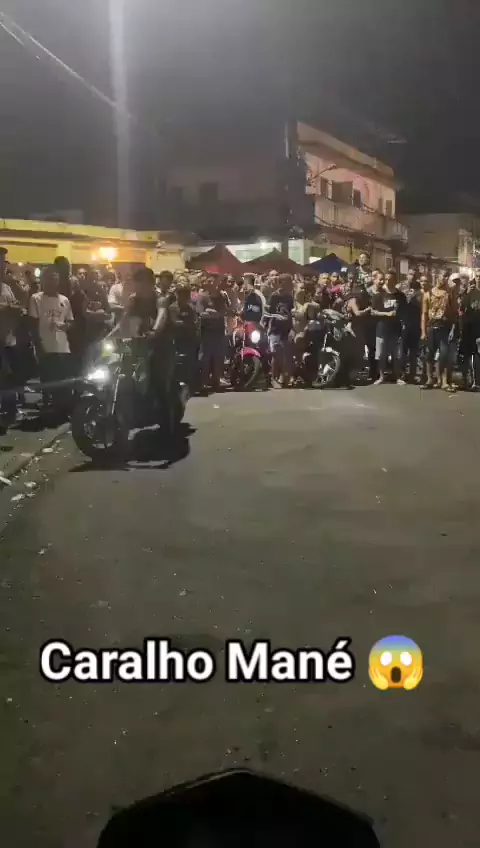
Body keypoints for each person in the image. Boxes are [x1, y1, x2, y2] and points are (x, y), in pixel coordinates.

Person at [29, 265, 74, 414]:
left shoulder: (64, 300)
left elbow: (70, 321)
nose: (52, 282)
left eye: (55, 278)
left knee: (62, 381)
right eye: (48, 278)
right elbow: (33, 324)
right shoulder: (36, 299)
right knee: (47, 381)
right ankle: (47, 408)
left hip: (62, 347)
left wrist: (65, 326)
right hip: (45, 347)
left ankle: (60, 411)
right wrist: (38, 346)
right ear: (43, 280)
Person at [421, 269, 457, 391]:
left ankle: (444, 381)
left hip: (444, 327)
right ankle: (429, 379)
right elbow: (424, 314)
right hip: (431, 326)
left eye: (447, 277)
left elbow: (454, 313)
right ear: (437, 276)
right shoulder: (428, 294)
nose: (445, 279)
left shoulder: (449, 293)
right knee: (429, 354)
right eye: (444, 276)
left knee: (444, 354)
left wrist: (453, 329)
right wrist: (423, 331)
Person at [0, 248, 23, 433]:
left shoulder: (6, 287)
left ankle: (8, 414)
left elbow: (17, 304)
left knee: (9, 378)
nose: (2, 265)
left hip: (8, 340)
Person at [370, 270, 406, 385]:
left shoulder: (400, 296)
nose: (387, 281)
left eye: (390, 279)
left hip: (396, 328)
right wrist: (387, 314)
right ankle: (381, 377)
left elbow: (404, 313)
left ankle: (397, 377)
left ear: (395, 281)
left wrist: (403, 323)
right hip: (382, 328)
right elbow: (373, 312)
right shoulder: (379, 294)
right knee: (381, 355)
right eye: (386, 279)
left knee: (396, 355)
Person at [197, 276, 229, 393]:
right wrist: (214, 313)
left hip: (219, 331)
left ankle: (217, 381)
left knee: (218, 358)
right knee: (204, 358)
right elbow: (201, 314)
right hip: (207, 332)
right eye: (211, 281)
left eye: (215, 282)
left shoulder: (221, 297)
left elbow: (224, 311)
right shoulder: (203, 297)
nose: (214, 284)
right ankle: (203, 382)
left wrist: (211, 312)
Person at [267, 274, 294, 387]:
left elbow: (291, 313)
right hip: (275, 328)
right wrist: (274, 318)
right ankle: (273, 377)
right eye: (288, 282)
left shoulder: (289, 297)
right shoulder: (274, 296)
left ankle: (284, 376)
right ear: (281, 283)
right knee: (276, 353)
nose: (290, 284)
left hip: (286, 329)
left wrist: (292, 328)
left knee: (286, 354)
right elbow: (268, 313)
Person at [400, 270, 423, 383]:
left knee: (414, 351)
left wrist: (415, 296)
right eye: (410, 274)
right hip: (404, 321)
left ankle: (413, 374)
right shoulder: (400, 286)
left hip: (416, 322)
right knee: (403, 350)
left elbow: (422, 304)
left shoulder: (420, 288)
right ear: (407, 275)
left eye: (414, 275)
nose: (412, 277)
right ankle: (402, 374)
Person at [459, 273, 480, 390]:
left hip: (478, 331)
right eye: (477, 276)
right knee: (466, 355)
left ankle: (476, 382)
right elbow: (461, 311)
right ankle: (465, 380)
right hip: (467, 330)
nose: (479, 278)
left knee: (477, 355)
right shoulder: (469, 294)